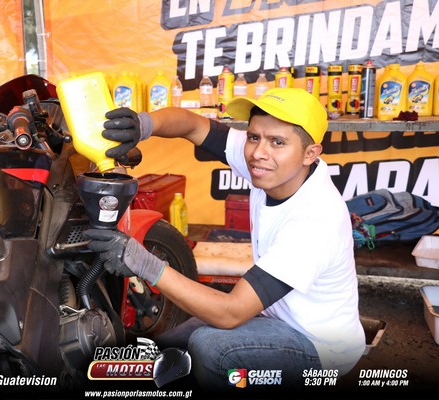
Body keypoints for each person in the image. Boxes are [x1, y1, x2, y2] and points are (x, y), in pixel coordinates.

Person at [83, 87, 366, 391]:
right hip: (277, 317)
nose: (258, 152)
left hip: (320, 348)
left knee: (211, 348)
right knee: (161, 349)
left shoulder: (315, 218)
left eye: (277, 142)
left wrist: (142, 263)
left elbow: (232, 312)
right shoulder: (272, 164)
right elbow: (193, 125)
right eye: (254, 137)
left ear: (310, 154)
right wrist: (142, 124)